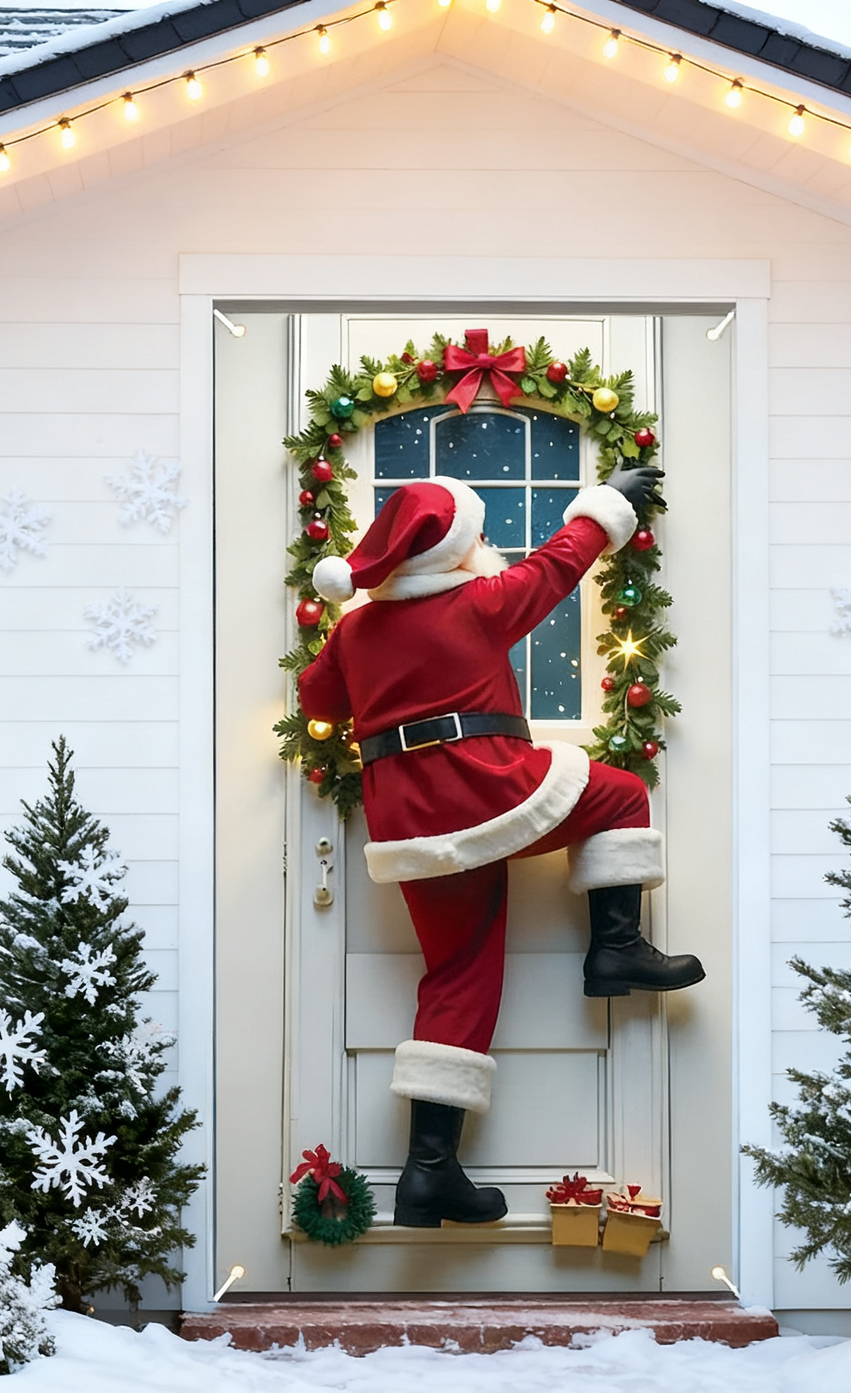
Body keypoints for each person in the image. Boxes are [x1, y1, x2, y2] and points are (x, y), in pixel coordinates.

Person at [298, 466, 703, 1228]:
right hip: (484, 791)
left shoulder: (353, 631)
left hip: (408, 825)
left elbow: (316, 700)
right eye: (474, 534)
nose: (483, 545)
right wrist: (606, 504)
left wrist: (365, 646)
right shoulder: (476, 603)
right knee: (618, 793)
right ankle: (614, 946)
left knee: (456, 977)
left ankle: (428, 1174)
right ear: (448, 550)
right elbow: (556, 566)